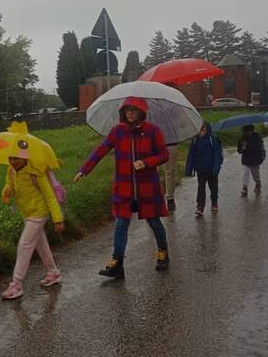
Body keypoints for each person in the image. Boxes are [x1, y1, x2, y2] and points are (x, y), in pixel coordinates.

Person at [74, 97, 170, 279]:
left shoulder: (153, 131)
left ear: (142, 111)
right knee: (120, 224)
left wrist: (147, 162)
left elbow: (164, 155)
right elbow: (101, 150)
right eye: (127, 110)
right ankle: (117, 263)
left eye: (134, 110)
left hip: (146, 187)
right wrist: (84, 170)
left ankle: (163, 252)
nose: (130, 113)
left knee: (154, 222)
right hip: (124, 187)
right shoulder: (118, 131)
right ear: (123, 112)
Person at [1, 155, 65, 299]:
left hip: (39, 212)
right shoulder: (11, 170)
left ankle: (16, 285)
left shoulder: (36, 172)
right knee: (40, 243)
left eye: (16, 158)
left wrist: (58, 219)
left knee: (25, 244)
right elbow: (9, 185)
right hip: (26, 212)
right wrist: (7, 190)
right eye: (10, 158)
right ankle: (54, 272)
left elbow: (49, 196)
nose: (12, 161)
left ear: (25, 158)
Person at [185, 122, 223, 215]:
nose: (201, 132)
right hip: (200, 169)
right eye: (200, 130)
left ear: (207, 130)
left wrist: (216, 168)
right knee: (201, 188)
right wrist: (189, 168)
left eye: (203, 130)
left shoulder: (212, 139)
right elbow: (191, 155)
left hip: (212, 170)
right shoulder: (195, 141)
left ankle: (214, 203)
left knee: (213, 187)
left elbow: (217, 155)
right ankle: (200, 207)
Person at [237, 124, 265, 196]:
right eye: (246, 131)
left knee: (255, 173)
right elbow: (239, 150)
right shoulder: (242, 138)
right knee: (245, 173)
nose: (247, 133)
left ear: (252, 131)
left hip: (255, 159)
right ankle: (244, 188)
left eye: (249, 131)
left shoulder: (257, 137)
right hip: (246, 159)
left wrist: (248, 145)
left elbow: (259, 147)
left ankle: (258, 184)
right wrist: (242, 147)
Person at [163, 143, 179, 211]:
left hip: (170, 142)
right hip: (150, 140)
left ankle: (170, 198)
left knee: (170, 171)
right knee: (150, 170)